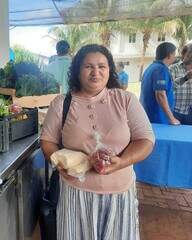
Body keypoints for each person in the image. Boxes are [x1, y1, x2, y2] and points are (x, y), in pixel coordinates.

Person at [41, 44, 155, 240]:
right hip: (75, 193)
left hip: (120, 194)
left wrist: (122, 161)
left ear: (110, 70)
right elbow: (47, 142)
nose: (96, 72)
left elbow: (145, 140)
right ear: (77, 71)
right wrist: (62, 163)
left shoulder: (125, 99)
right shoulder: (61, 103)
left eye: (102, 66)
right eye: (88, 67)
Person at [140, 42, 180, 125]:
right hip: (157, 118)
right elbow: (160, 94)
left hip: (148, 116)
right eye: (174, 54)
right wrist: (171, 119)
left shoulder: (151, 67)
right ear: (169, 55)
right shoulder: (161, 69)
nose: (175, 57)